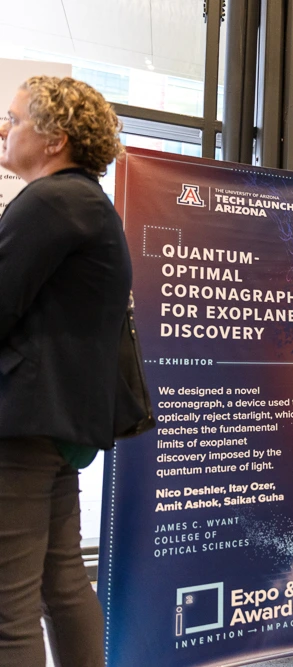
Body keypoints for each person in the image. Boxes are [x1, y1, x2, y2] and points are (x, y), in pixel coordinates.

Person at [0, 76, 131, 666]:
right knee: (62, 583)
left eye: (15, 119)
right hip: (58, 426)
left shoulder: (51, 201)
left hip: (23, 425)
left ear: (54, 140)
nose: (4, 129)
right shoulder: (87, 203)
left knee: (9, 608)